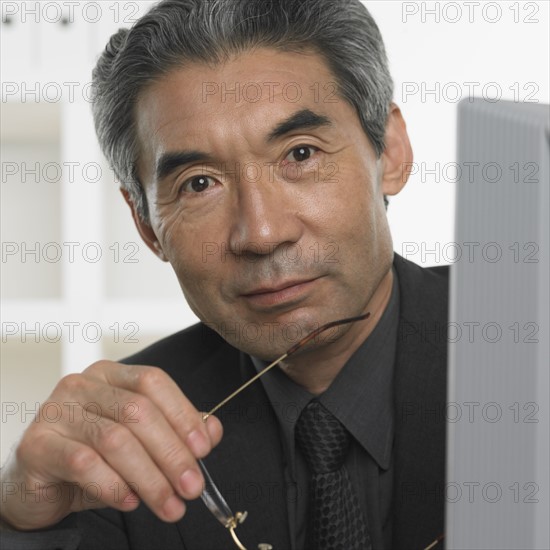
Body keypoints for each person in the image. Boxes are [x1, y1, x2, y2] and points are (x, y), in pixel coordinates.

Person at [0, 0, 448, 548]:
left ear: (392, 152)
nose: (260, 233)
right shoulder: (122, 447)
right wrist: (21, 520)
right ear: (146, 225)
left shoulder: (525, 352)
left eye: (300, 153)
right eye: (199, 183)